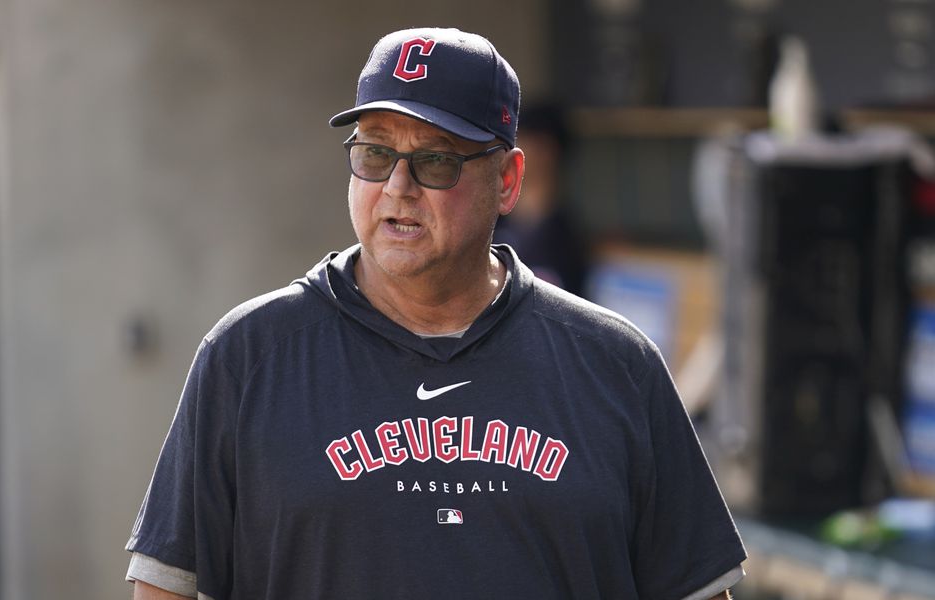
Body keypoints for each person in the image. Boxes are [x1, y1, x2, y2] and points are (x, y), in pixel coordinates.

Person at [126, 27, 746, 600]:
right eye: (374, 154)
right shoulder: (248, 357)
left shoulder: (617, 366)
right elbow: (165, 587)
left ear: (506, 180)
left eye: (436, 160)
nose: (397, 187)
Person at [492, 102, 589, 297]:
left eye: (519, 139)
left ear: (546, 150)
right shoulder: (489, 224)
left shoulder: (568, 243)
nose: (508, 150)